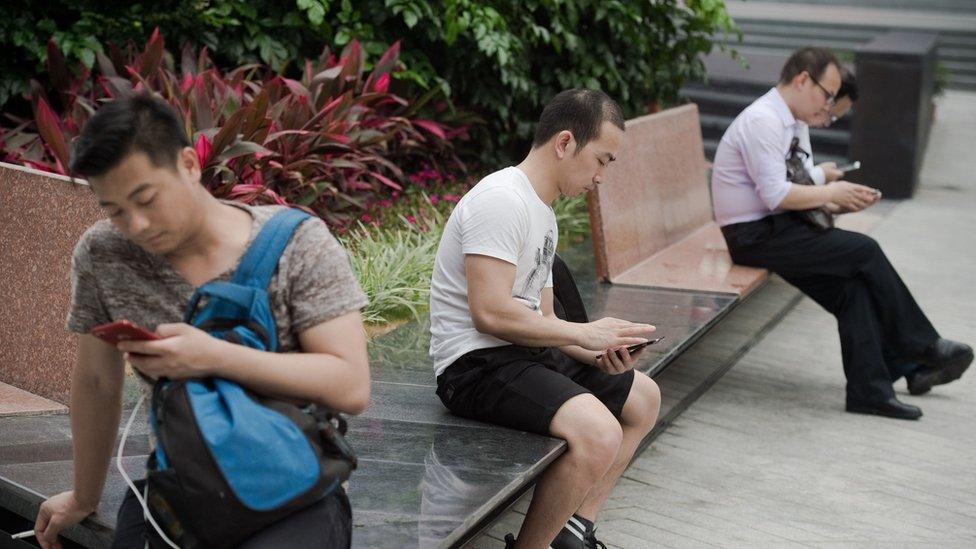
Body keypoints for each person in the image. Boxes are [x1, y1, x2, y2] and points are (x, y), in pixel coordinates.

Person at [33, 93, 371, 548]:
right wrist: (83, 495)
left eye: (146, 198)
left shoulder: (298, 245)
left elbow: (350, 385)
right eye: (113, 209)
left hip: (293, 486)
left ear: (190, 165)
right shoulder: (103, 253)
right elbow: (96, 380)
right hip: (182, 476)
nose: (135, 224)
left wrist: (210, 356)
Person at [428, 89, 662, 549]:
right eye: (601, 160)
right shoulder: (500, 200)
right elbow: (491, 312)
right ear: (564, 142)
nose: (601, 176)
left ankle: (574, 531)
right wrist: (584, 332)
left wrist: (598, 350)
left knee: (644, 397)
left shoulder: (544, 213)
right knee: (597, 431)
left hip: (523, 354)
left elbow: (544, 317)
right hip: (475, 366)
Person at [711, 47, 972, 421]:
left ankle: (870, 391)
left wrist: (834, 203)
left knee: (853, 290)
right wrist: (830, 193)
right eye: (827, 94)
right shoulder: (762, 121)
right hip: (752, 236)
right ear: (802, 79)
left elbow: (794, 186)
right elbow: (776, 194)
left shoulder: (792, 120)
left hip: (779, 226)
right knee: (864, 251)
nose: (830, 105)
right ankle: (924, 348)